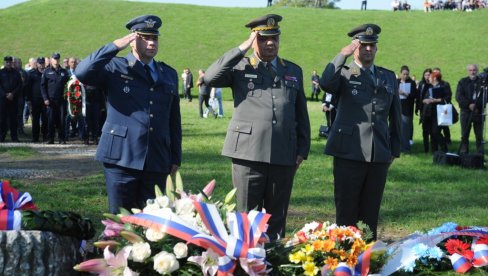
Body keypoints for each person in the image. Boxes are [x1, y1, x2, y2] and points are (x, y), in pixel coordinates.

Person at [204, 14, 311, 240]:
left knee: (276, 217)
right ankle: (246, 266)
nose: (270, 43)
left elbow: (300, 112)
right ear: (254, 40)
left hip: (283, 153)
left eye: (274, 38)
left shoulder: (292, 70)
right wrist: (243, 47)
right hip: (247, 153)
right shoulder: (240, 66)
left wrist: (302, 149)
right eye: (263, 38)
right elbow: (211, 77)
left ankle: (274, 264)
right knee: (246, 216)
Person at [75, 14, 182, 214]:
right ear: (132, 40)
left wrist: (175, 157)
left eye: (155, 38)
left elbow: (173, 119)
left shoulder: (168, 73)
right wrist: (115, 45)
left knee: (153, 222)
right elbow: (82, 72)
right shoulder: (115, 67)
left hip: (157, 158)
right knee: (120, 220)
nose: (151, 42)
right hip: (122, 157)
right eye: (145, 37)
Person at [319, 23, 401, 240]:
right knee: (346, 208)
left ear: (376, 48)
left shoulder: (388, 76)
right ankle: (344, 259)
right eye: (363, 45)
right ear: (355, 46)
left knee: (370, 210)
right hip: (349, 150)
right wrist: (342, 55)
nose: (368, 49)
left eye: (372, 45)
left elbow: (396, 114)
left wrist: (395, 148)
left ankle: (367, 257)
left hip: (379, 152)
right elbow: (326, 83)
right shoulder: (344, 73)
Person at [41, 53, 70, 144]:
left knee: (61, 120)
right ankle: (51, 138)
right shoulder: (46, 72)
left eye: (57, 59)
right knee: (51, 120)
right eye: (54, 58)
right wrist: (45, 98)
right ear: (51, 60)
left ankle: (61, 138)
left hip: (61, 100)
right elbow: (43, 86)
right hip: (50, 100)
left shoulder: (64, 72)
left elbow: (68, 85)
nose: (56, 60)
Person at [456, 64, 484, 154]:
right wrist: (469, 105)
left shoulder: (482, 82)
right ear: (468, 71)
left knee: (479, 135)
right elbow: (459, 96)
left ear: (477, 71)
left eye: (474, 70)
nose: (473, 72)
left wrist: (476, 106)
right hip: (465, 112)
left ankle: (480, 153)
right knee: (465, 134)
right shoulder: (462, 82)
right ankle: (464, 152)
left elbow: (485, 97)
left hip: (479, 111)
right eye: (471, 70)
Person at [421, 71, 451, 153]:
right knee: (431, 132)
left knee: (435, 132)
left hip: (439, 113)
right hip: (429, 113)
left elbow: (448, 98)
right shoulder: (429, 87)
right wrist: (425, 100)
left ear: (434, 78)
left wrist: (436, 100)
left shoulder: (443, 87)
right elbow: (423, 99)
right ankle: (435, 151)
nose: (428, 78)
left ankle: (444, 147)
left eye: (430, 77)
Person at [26, 57, 48, 142]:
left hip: (45, 100)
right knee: (35, 120)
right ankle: (35, 137)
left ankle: (45, 136)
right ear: (37, 64)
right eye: (39, 63)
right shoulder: (32, 74)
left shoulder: (47, 73)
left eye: (42, 63)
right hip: (35, 101)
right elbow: (28, 87)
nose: (41, 65)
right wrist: (28, 99)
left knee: (45, 119)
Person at [0, 56, 22, 142]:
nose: (8, 64)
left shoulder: (16, 73)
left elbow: (19, 85)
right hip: (3, 99)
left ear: (12, 63)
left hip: (13, 99)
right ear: (4, 63)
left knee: (13, 118)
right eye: (7, 62)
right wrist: (5, 94)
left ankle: (14, 137)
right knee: (2, 119)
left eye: (10, 62)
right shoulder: (1, 72)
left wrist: (12, 94)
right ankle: (2, 136)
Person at [398, 65, 418, 152]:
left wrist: (404, 93)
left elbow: (414, 95)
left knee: (406, 129)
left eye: (407, 74)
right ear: (400, 74)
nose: (405, 76)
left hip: (407, 109)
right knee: (397, 128)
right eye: (404, 74)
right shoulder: (396, 82)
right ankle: (397, 146)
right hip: (397, 108)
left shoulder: (412, 83)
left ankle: (405, 148)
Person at [417, 68, 433, 153]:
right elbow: (418, 97)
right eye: (426, 75)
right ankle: (426, 149)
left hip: (432, 111)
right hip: (423, 111)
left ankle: (434, 148)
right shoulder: (421, 84)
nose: (427, 76)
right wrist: (417, 108)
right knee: (425, 130)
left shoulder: (433, 85)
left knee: (433, 131)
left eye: (429, 75)